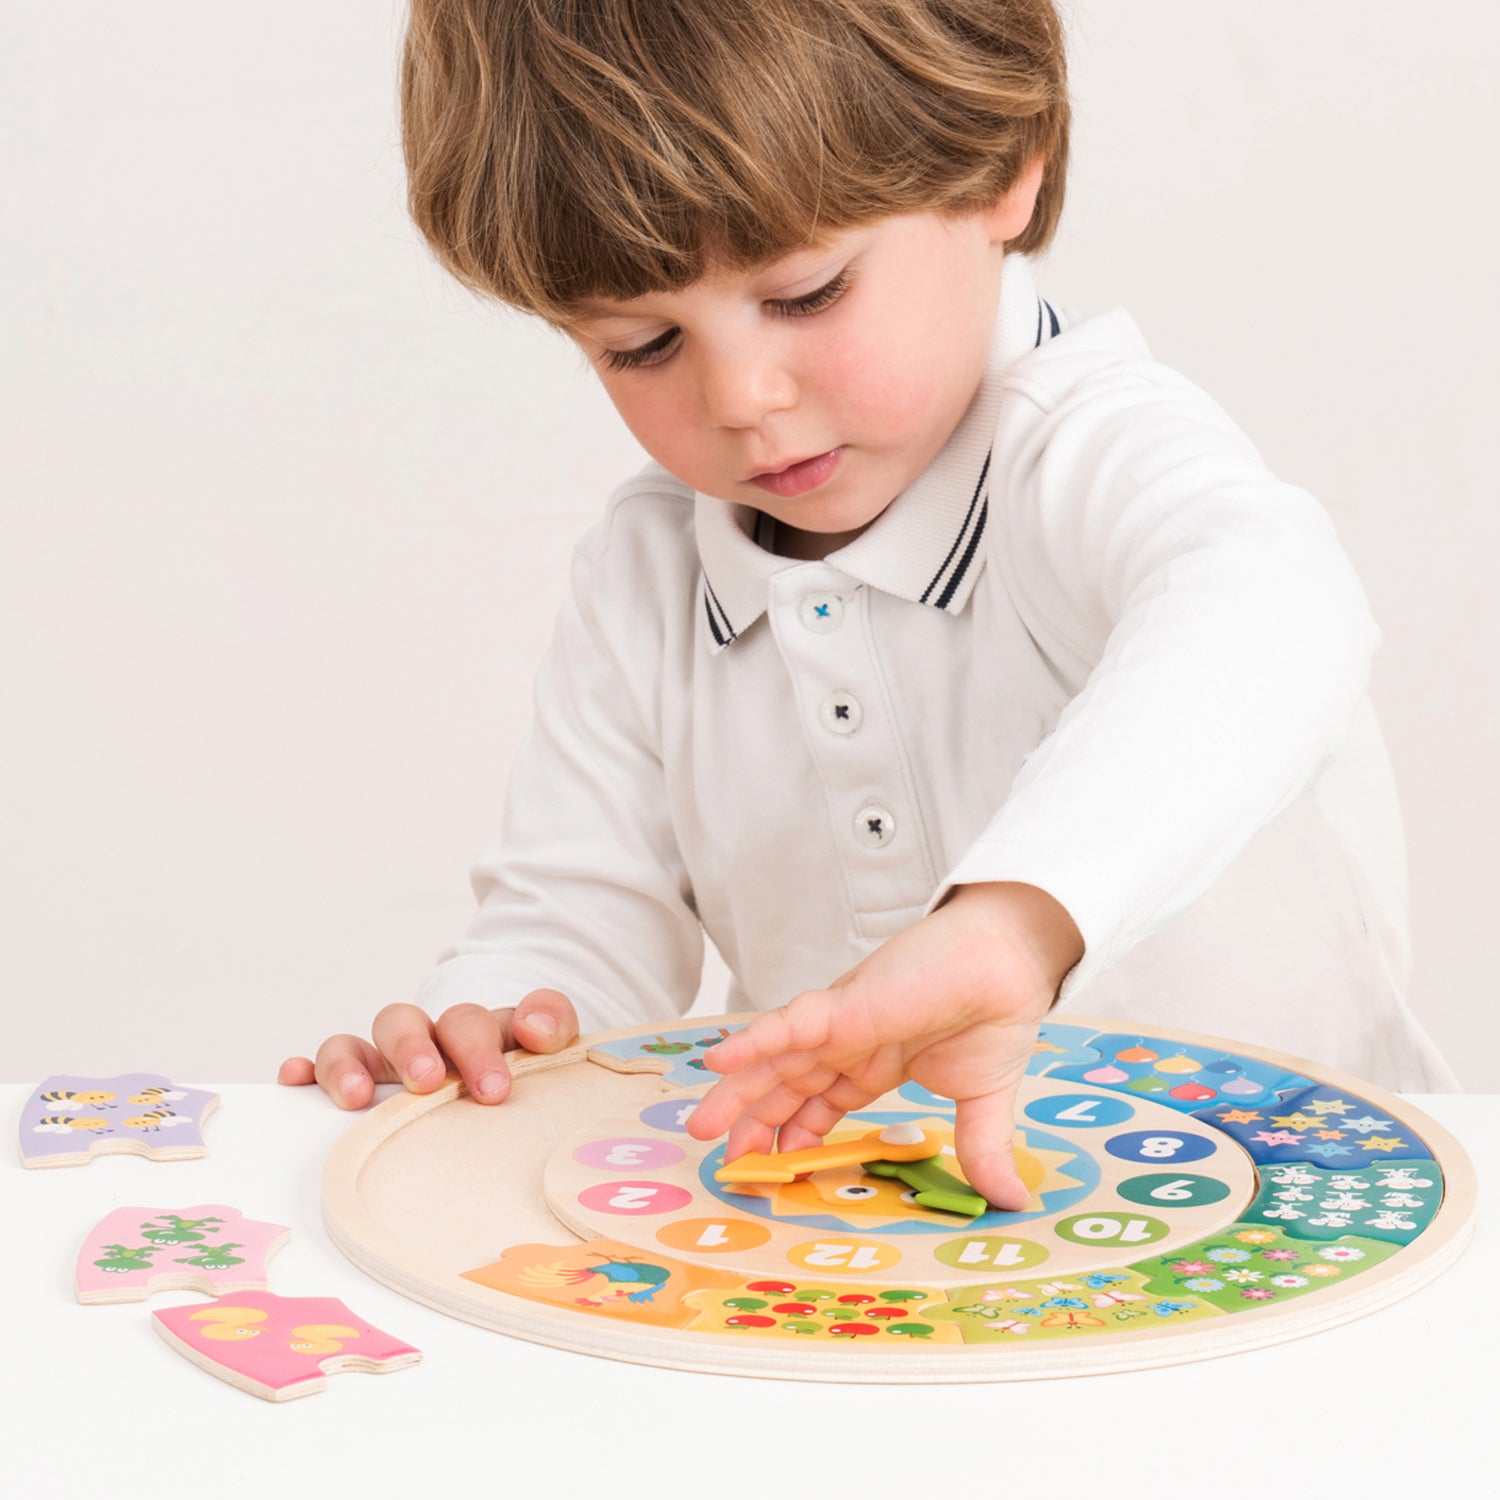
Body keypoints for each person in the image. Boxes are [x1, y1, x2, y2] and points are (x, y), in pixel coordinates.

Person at [279, 0, 1456, 1208]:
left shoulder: (1083, 452)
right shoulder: (646, 574)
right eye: (639, 346)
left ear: (1004, 173)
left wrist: (1011, 927)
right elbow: (580, 923)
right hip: (883, 1266)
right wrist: (500, 1031)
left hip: (1296, 1225)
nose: (742, 394)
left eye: (807, 294)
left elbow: (1272, 601)